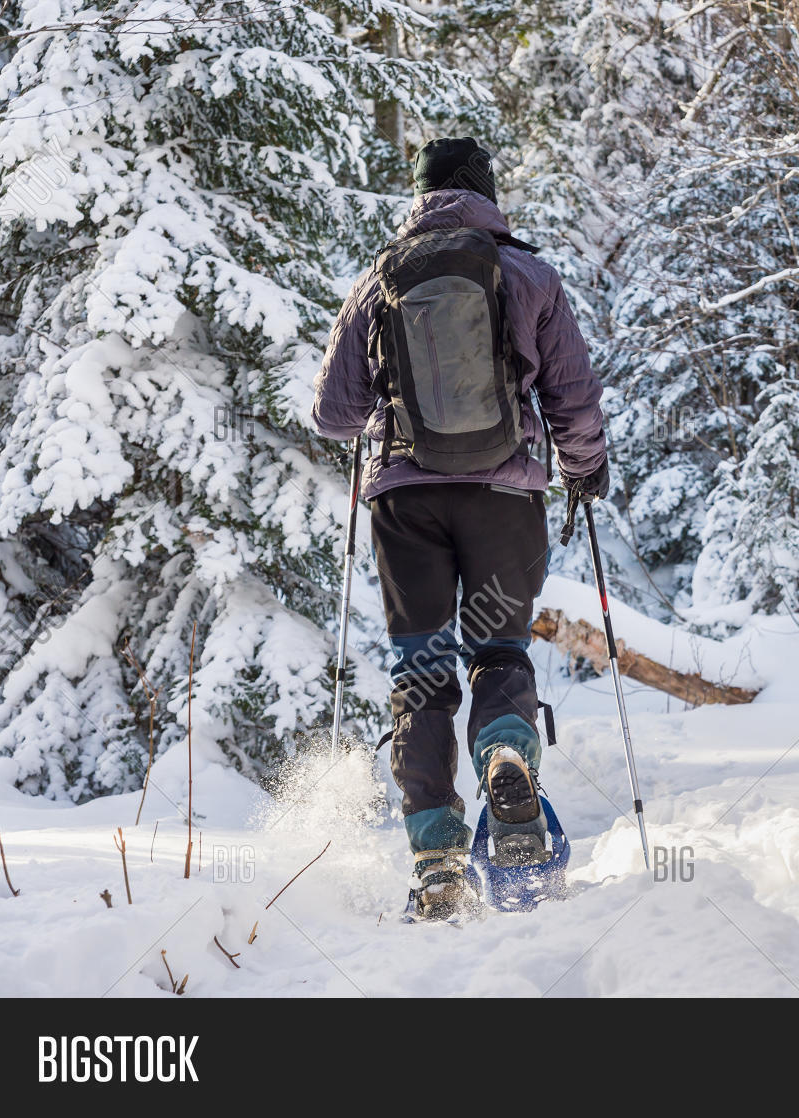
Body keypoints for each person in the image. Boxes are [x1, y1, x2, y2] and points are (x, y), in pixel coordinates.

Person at [312, 137, 609, 918]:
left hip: (406, 508)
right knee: (499, 652)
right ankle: (506, 749)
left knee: (421, 675)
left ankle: (438, 862)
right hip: (504, 501)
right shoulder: (530, 274)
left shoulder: (380, 278)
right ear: (486, 193)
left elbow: (334, 413)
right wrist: (584, 467)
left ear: (420, 196)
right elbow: (573, 396)